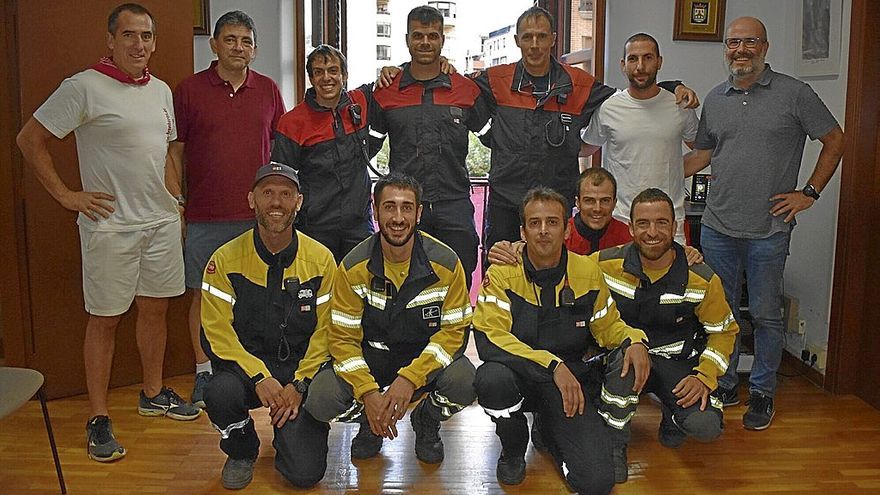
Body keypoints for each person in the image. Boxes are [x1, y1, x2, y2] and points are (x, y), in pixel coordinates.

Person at [15, 3, 200, 463]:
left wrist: (176, 204)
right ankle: (98, 416)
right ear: (111, 41)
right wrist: (65, 195)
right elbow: (29, 138)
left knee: (155, 312)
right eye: (130, 36)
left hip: (159, 224)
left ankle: (153, 392)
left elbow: (166, 154)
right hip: (110, 228)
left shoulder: (159, 90)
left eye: (147, 36)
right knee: (105, 320)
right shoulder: (83, 87)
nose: (140, 45)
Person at [684, 16, 845, 430]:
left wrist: (808, 193)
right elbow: (702, 155)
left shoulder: (795, 93)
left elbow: (835, 140)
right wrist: (648, 173)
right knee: (720, 313)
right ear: (726, 51)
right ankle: (725, 384)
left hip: (769, 230)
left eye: (749, 42)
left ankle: (762, 391)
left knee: (766, 314)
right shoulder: (716, 99)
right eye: (733, 43)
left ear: (765, 47)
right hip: (718, 225)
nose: (740, 50)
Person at [472, 6, 699, 253]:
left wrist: (672, 86)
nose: (535, 44)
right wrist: (489, 138)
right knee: (500, 269)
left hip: (557, 202)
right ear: (517, 41)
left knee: (555, 275)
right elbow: (461, 94)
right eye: (528, 37)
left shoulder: (579, 84)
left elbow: (632, 95)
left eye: (542, 36)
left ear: (554, 38)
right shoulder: (496, 80)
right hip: (506, 200)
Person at [472, 187, 650, 493]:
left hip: (569, 387)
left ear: (567, 228)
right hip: (522, 376)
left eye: (553, 222)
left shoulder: (587, 271)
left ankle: (549, 429)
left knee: (596, 483)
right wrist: (551, 365)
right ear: (522, 232)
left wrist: (634, 340)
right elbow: (490, 338)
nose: (543, 231)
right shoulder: (503, 273)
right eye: (535, 223)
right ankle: (513, 446)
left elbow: (609, 327)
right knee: (490, 379)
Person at [304, 173, 476, 466]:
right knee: (320, 398)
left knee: (467, 382)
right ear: (375, 211)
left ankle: (427, 420)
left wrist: (410, 379)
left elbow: (454, 333)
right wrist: (369, 394)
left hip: (424, 360)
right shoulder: (352, 266)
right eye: (389, 207)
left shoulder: (447, 263)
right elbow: (343, 341)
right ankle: (370, 421)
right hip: (373, 358)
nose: (398, 217)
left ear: (419, 213)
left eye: (407, 207)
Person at [169, 10, 286, 410]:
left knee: (254, 297)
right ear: (214, 45)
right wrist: (179, 205)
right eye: (231, 39)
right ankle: (204, 373)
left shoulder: (269, 90)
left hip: (257, 218)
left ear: (255, 49)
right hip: (204, 214)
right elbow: (176, 153)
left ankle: (253, 368)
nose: (239, 47)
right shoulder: (187, 90)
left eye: (246, 41)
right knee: (201, 296)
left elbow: (280, 153)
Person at [199, 162, 336, 489]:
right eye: (268, 193)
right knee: (217, 392)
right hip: (245, 373)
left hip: (299, 372)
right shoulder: (224, 260)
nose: (277, 202)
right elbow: (216, 332)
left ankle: (292, 435)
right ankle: (242, 448)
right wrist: (258, 375)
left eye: (286, 194)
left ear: (298, 202)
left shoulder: (321, 260)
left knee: (304, 474)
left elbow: (328, 331)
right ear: (252, 199)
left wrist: (300, 384)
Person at [597, 188, 738, 482]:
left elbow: (724, 333)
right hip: (627, 359)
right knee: (625, 363)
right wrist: (517, 248)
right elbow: (558, 263)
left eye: (661, 223)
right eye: (643, 223)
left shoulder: (701, 277)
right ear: (631, 228)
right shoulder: (606, 263)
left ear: (674, 228)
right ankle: (614, 445)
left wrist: (704, 376)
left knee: (706, 426)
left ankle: (674, 416)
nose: (652, 232)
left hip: (678, 364)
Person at [367, 5, 491, 288]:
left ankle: (455, 333)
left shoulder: (465, 89)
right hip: (405, 209)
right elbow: (366, 147)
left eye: (432, 36)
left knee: (459, 276)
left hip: (454, 204)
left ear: (442, 41)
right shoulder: (386, 90)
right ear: (407, 38)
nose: (425, 42)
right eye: (418, 35)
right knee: (403, 281)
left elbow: (496, 140)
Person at [581, 33, 698, 245]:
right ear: (623, 65)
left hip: (669, 223)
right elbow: (585, 148)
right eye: (633, 59)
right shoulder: (609, 107)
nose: (640, 66)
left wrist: (675, 169)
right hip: (620, 221)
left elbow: (702, 150)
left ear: (659, 61)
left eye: (648, 58)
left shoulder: (679, 104)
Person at [271, 44, 373, 263]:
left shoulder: (361, 102)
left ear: (344, 75)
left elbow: (399, 80)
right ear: (311, 78)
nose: (326, 78)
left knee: (359, 291)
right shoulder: (291, 122)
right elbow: (281, 182)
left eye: (333, 71)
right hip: (315, 228)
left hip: (359, 224)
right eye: (318, 72)